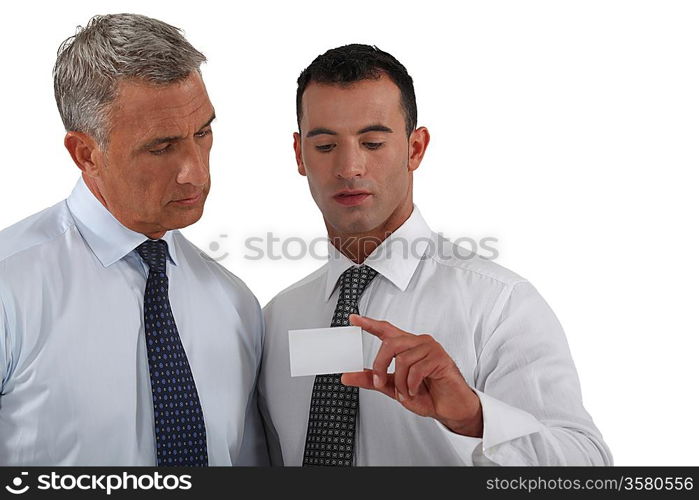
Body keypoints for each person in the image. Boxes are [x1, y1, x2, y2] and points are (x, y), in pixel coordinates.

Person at [259, 44, 612, 466]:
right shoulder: (277, 318)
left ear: (415, 149)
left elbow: (589, 465)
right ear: (299, 155)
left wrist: (473, 416)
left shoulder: (499, 304)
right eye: (325, 146)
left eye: (372, 142)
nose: (350, 167)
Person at [0, 13, 267, 466]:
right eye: (161, 148)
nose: (196, 172)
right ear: (85, 154)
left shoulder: (236, 302)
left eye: (202, 133)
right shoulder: (10, 286)